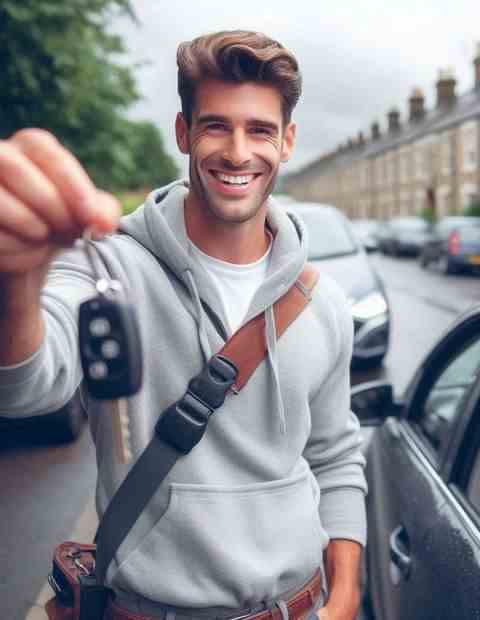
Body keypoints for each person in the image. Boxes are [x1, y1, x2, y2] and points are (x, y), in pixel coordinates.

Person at [0, 31, 367, 620]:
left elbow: (336, 455)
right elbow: (24, 388)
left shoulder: (322, 302)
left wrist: (346, 594)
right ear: (183, 132)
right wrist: (15, 279)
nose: (239, 152)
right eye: (216, 126)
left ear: (288, 141)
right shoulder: (107, 267)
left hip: (302, 606)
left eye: (261, 130)